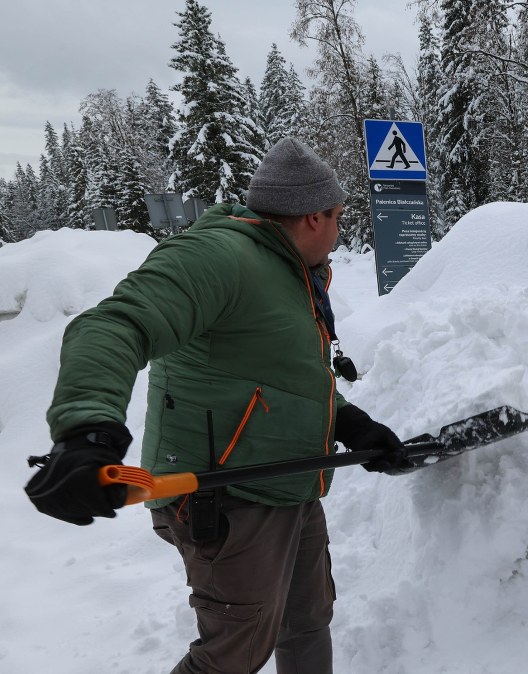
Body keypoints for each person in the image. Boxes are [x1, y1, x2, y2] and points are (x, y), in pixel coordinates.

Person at [24, 137, 412, 674]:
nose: (341, 229)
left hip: (290, 482)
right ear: (314, 217)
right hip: (224, 493)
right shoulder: (218, 258)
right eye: (340, 217)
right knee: (233, 652)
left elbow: (283, 373)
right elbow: (113, 325)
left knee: (306, 621)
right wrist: (87, 430)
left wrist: (352, 422)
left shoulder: (294, 270)